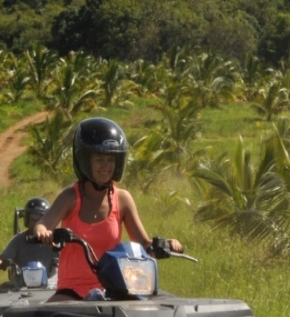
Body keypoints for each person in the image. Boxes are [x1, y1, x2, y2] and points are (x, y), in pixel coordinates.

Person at [32, 117, 182, 301]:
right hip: (73, 291)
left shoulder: (123, 199)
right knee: (50, 315)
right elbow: (43, 224)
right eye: (99, 159)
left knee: (153, 310)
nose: (106, 166)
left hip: (114, 289)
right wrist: (44, 233)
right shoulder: (70, 197)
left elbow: (144, 244)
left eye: (111, 159)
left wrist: (165, 244)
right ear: (86, 161)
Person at [0, 197, 58, 288]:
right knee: (2, 288)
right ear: (27, 220)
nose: (36, 224)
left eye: (40, 220)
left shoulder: (54, 239)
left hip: (50, 287)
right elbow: (3, 257)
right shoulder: (19, 239)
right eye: (33, 219)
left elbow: (67, 257)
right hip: (21, 286)